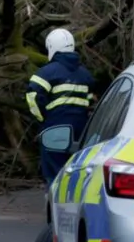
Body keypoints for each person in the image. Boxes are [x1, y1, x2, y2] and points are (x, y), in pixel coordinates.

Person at [26, 28, 96, 184]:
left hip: (55, 130)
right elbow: (91, 102)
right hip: (82, 131)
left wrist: (43, 120)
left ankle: (57, 205)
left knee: (55, 175)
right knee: (77, 171)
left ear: (51, 47)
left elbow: (32, 98)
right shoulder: (86, 75)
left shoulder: (45, 73)